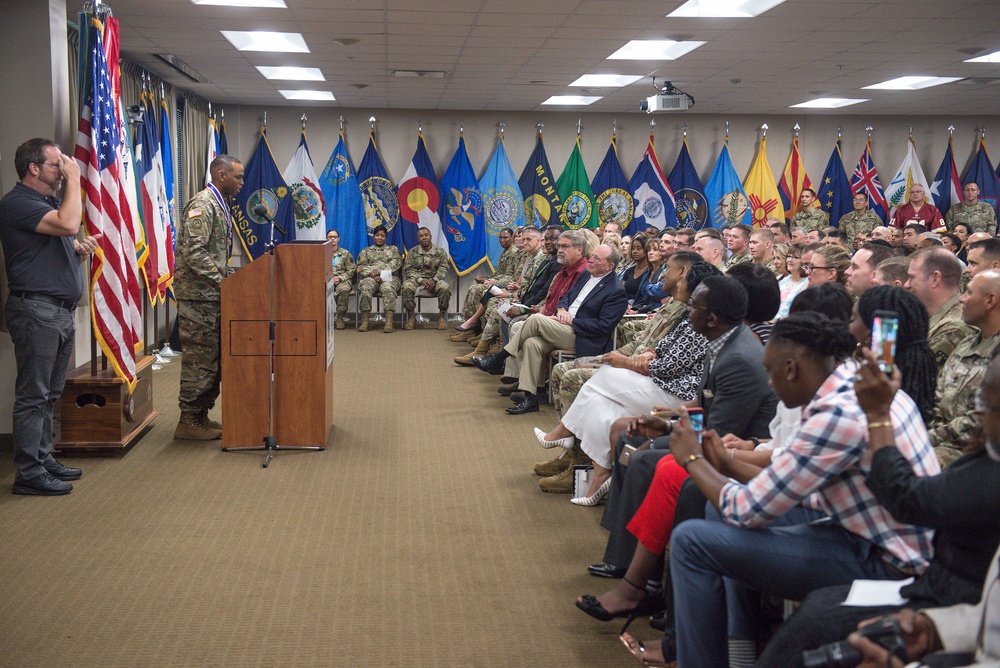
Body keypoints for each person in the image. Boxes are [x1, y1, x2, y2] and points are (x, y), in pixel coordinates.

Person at [663, 312, 939, 668]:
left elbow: (745, 508)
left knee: (691, 540)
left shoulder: (835, 414)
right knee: (717, 510)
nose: (769, 382)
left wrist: (690, 458)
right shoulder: (862, 385)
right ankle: (739, 649)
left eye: (771, 371)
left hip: (887, 562)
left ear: (791, 368)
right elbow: (797, 487)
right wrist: (728, 465)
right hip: (879, 538)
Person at [757, 341, 1000, 667]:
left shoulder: (989, 479)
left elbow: (908, 499)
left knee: (817, 623)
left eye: (986, 403)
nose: (979, 411)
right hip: (942, 597)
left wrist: (877, 415)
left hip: (940, 592)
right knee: (818, 610)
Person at [535, 287, 706, 505]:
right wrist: (648, 355)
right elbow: (663, 349)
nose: (663, 276)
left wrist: (629, 362)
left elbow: (667, 368)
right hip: (662, 383)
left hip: (676, 394)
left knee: (604, 375)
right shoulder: (688, 316)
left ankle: (564, 431)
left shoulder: (700, 325)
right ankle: (600, 474)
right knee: (601, 403)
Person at [0, 138, 100, 494]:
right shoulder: (17, 203)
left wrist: (77, 254)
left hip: (56, 312)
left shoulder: (45, 203)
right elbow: (70, 224)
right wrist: (75, 180)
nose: (64, 170)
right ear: (34, 168)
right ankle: (28, 472)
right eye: (57, 164)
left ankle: (42, 459)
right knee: (34, 394)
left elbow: (62, 238)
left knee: (49, 393)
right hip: (36, 311)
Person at [491, 242, 627, 415]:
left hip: (582, 336)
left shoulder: (616, 291)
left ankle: (500, 356)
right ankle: (531, 396)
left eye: (596, 259)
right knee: (532, 342)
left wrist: (572, 321)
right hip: (562, 326)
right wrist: (562, 309)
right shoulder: (587, 275)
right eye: (592, 256)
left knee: (537, 319)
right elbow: (566, 295)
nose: (590, 260)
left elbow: (603, 326)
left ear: (610, 266)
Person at [174, 154, 244, 441]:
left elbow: (213, 254)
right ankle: (188, 420)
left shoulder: (220, 203)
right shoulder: (203, 204)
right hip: (198, 299)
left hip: (211, 296)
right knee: (200, 359)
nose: (242, 182)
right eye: (238, 177)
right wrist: (224, 281)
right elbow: (194, 253)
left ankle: (200, 417)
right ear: (221, 176)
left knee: (212, 357)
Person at [929, 270, 1000, 468]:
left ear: (990, 301)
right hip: (941, 442)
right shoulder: (966, 344)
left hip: (977, 453)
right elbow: (937, 394)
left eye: (968, 293)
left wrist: (928, 439)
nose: (961, 299)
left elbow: (982, 421)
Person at [905, 247, 974, 369]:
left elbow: (917, 377)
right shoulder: (931, 317)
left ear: (935, 279)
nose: (907, 284)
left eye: (912, 277)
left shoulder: (953, 328)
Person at [401, 226, 451, 331]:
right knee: (406, 287)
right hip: (418, 282)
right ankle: (411, 316)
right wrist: (421, 280)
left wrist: (433, 281)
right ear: (418, 239)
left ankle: (441, 316)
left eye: (426, 235)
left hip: (435, 281)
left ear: (431, 236)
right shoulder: (413, 252)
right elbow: (409, 269)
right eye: (421, 236)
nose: (424, 238)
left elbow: (443, 269)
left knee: (445, 287)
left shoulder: (440, 252)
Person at [355, 225, 403, 333]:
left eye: (382, 235)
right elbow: (362, 266)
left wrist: (380, 272)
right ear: (373, 236)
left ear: (386, 237)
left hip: (389, 278)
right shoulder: (366, 251)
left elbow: (396, 263)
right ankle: (366, 320)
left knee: (388, 288)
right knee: (365, 287)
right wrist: (373, 275)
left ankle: (389, 321)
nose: (379, 238)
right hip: (371, 278)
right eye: (377, 235)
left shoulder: (393, 249)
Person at [326, 229, 355, 330]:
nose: (332, 239)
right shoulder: (322, 253)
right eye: (330, 237)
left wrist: (340, 278)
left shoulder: (345, 254)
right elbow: (317, 269)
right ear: (326, 239)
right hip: (326, 280)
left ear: (339, 239)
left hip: (342, 280)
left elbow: (351, 269)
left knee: (343, 290)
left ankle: (340, 317)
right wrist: (330, 279)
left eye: (335, 237)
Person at [776, 243, 808, 319]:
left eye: (795, 257)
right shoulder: (780, 279)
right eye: (789, 256)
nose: (790, 260)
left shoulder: (807, 283)